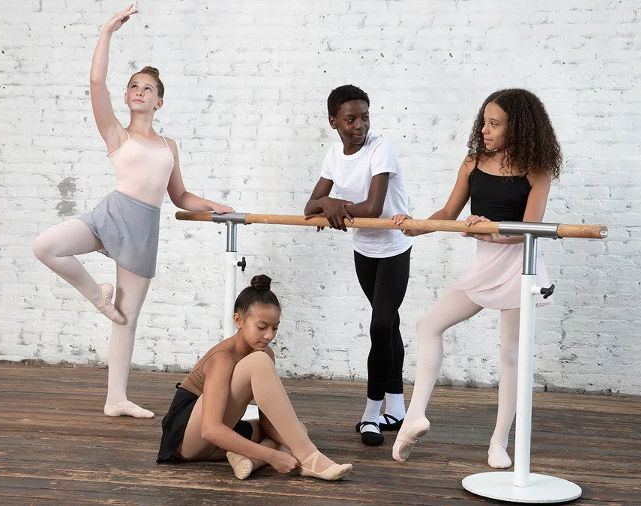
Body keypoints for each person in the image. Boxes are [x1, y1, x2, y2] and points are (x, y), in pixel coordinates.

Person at [32, 5, 233, 418]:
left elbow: (180, 197)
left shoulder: (169, 146)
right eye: (134, 87)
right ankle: (96, 297)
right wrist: (107, 31)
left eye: (148, 88)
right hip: (112, 214)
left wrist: (214, 206)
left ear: (159, 101)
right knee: (46, 246)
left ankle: (116, 399)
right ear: (127, 97)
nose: (139, 92)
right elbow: (95, 81)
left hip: (143, 228)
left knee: (127, 317)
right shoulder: (116, 134)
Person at [390, 88, 562, 468]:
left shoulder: (537, 171)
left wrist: (493, 229)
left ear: (518, 128)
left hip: (520, 264)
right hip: (485, 266)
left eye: (494, 124)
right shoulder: (472, 163)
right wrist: (417, 226)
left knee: (511, 355)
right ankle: (415, 415)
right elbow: (450, 212)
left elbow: (530, 229)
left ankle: (498, 443)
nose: (484, 129)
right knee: (429, 324)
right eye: (484, 121)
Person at [157, 275, 353, 481]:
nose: (269, 335)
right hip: (187, 441)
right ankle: (310, 459)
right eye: (262, 327)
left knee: (297, 430)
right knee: (260, 363)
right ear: (238, 321)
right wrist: (273, 455)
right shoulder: (223, 358)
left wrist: (291, 441)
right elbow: (210, 429)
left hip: (217, 443)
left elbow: (268, 423)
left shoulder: (266, 354)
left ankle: (247, 459)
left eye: (274, 327)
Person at [303, 85, 413, 447]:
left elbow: (375, 208)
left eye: (364, 117)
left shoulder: (380, 148)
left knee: (380, 324)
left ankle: (371, 413)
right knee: (389, 324)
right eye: (350, 119)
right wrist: (327, 202)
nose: (359, 125)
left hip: (394, 248)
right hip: (364, 250)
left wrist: (332, 205)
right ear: (334, 121)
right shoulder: (335, 154)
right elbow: (310, 206)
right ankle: (397, 406)